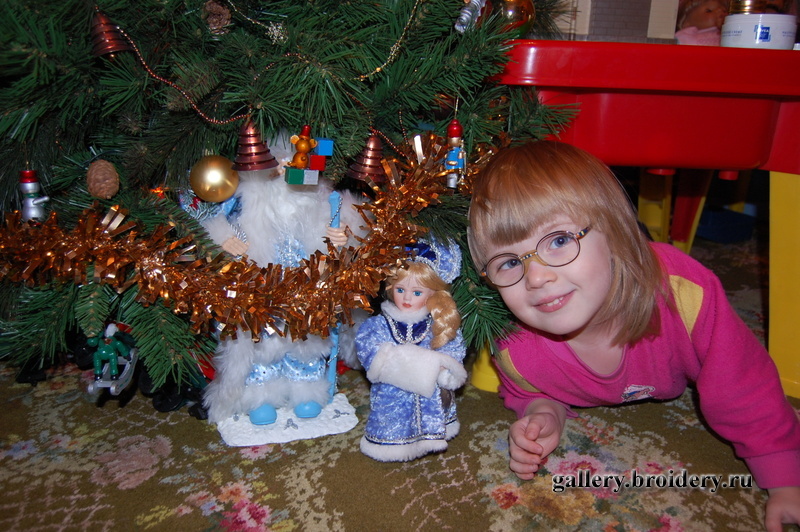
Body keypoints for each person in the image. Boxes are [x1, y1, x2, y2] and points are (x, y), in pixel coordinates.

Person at [467, 140, 800, 531]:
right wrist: (544, 413)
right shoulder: (514, 347)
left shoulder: (684, 294)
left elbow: (742, 384)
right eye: (509, 262)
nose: (536, 277)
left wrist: (783, 476)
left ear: (613, 230)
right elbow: (526, 389)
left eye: (559, 240)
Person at [355, 237, 467, 462]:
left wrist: (444, 370)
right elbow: (368, 350)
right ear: (390, 288)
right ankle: (392, 444)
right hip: (391, 395)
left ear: (432, 294)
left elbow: (454, 349)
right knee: (392, 417)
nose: (407, 298)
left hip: (431, 399)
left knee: (432, 409)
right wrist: (417, 365)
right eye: (400, 289)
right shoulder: (379, 324)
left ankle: (431, 435)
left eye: (417, 292)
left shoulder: (438, 324)